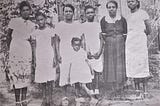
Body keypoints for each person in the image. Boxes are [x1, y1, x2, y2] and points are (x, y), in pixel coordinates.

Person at [7, 1, 35, 106]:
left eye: (28, 10)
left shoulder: (32, 25)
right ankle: (17, 101)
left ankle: (24, 100)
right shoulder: (14, 21)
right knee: (16, 75)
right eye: (23, 10)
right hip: (15, 50)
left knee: (25, 76)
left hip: (26, 51)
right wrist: (10, 49)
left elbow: (33, 41)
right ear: (20, 11)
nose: (26, 12)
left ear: (30, 11)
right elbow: (8, 36)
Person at [99, 0, 127, 97]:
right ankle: (111, 87)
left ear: (116, 8)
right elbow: (103, 34)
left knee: (119, 63)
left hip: (120, 43)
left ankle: (120, 85)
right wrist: (109, 40)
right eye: (109, 7)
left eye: (113, 7)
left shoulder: (122, 19)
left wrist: (119, 41)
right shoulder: (103, 20)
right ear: (107, 9)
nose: (111, 9)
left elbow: (125, 34)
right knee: (110, 63)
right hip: (109, 44)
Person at [30, 12, 56, 106]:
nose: (40, 21)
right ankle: (44, 99)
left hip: (49, 56)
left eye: (42, 19)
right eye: (38, 20)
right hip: (40, 57)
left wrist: (55, 57)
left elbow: (53, 45)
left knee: (50, 79)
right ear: (36, 21)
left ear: (45, 19)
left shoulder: (50, 31)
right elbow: (34, 47)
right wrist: (35, 59)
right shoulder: (35, 33)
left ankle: (51, 99)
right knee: (43, 79)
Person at [126, 0, 151, 92]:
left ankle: (145, 90)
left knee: (142, 64)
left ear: (137, 2)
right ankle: (137, 89)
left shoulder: (143, 13)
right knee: (133, 65)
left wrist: (143, 34)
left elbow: (149, 29)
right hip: (130, 43)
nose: (130, 3)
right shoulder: (127, 16)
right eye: (128, 2)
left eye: (132, 1)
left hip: (140, 42)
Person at [54, 4, 82, 86]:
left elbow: (81, 39)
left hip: (75, 51)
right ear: (63, 13)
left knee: (75, 71)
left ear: (73, 13)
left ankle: (77, 94)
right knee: (64, 72)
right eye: (66, 11)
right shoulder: (60, 25)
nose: (68, 13)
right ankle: (65, 96)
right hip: (64, 51)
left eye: (70, 11)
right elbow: (56, 41)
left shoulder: (77, 24)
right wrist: (58, 54)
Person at [81, 5, 103, 95]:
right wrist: (86, 51)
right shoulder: (83, 26)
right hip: (88, 50)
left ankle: (96, 89)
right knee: (89, 69)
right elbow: (82, 39)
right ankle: (90, 90)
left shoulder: (98, 25)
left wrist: (100, 51)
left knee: (97, 70)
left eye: (91, 12)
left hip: (97, 49)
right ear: (85, 14)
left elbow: (101, 39)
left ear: (94, 13)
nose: (90, 14)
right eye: (88, 13)